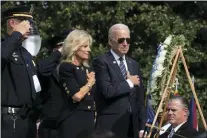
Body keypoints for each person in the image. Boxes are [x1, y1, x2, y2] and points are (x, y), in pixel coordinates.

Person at [1, 6, 62, 138]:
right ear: (12, 23)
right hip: (10, 119)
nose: (29, 26)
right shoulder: (4, 46)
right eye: (25, 22)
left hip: (28, 119)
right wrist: (16, 34)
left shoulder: (25, 53)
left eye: (30, 22)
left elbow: (36, 82)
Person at [93, 23, 146, 138]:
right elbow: (107, 91)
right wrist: (129, 82)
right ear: (110, 41)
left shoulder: (134, 64)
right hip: (110, 127)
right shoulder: (101, 62)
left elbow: (140, 99)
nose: (125, 43)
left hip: (132, 127)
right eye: (121, 40)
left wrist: (142, 126)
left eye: (128, 40)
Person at [57, 29, 96, 138]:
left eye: (88, 46)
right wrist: (90, 84)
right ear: (74, 47)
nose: (89, 49)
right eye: (85, 46)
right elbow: (77, 96)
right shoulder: (66, 67)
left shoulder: (87, 69)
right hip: (73, 119)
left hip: (88, 119)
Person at [38, 30, 71, 138]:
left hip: (72, 122)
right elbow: (42, 70)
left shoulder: (77, 67)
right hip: (51, 124)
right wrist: (59, 52)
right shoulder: (48, 65)